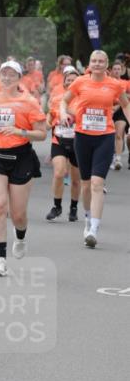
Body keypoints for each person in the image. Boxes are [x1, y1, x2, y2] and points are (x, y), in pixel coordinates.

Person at [0, 60, 47, 276]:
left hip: (21, 158)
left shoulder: (29, 102)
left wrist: (19, 131)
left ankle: (20, 236)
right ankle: (0, 261)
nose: (6, 78)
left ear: (19, 78)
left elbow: (41, 133)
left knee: (18, 215)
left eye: (11, 74)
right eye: (3, 74)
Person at [60, 50, 130, 248]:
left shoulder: (114, 84)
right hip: (82, 137)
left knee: (97, 183)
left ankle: (94, 230)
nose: (97, 64)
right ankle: (88, 217)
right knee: (86, 184)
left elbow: (125, 105)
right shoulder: (80, 82)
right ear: (89, 64)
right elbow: (64, 100)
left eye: (101, 61)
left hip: (104, 137)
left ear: (107, 64)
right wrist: (63, 113)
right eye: (94, 61)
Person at [45, 66, 81, 221]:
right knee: (59, 173)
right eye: (68, 80)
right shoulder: (57, 98)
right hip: (58, 140)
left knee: (76, 179)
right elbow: (50, 115)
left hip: (78, 143)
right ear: (64, 81)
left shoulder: (83, 99)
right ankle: (57, 206)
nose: (70, 82)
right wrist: (48, 123)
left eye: (74, 80)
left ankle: (73, 208)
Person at [110, 58, 129, 171]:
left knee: (118, 134)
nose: (117, 71)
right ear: (111, 71)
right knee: (109, 136)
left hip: (121, 111)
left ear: (121, 71)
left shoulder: (126, 83)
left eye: (119, 69)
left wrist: (123, 97)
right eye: (115, 69)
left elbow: (127, 98)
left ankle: (118, 159)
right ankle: (111, 155)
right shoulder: (108, 82)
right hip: (108, 110)